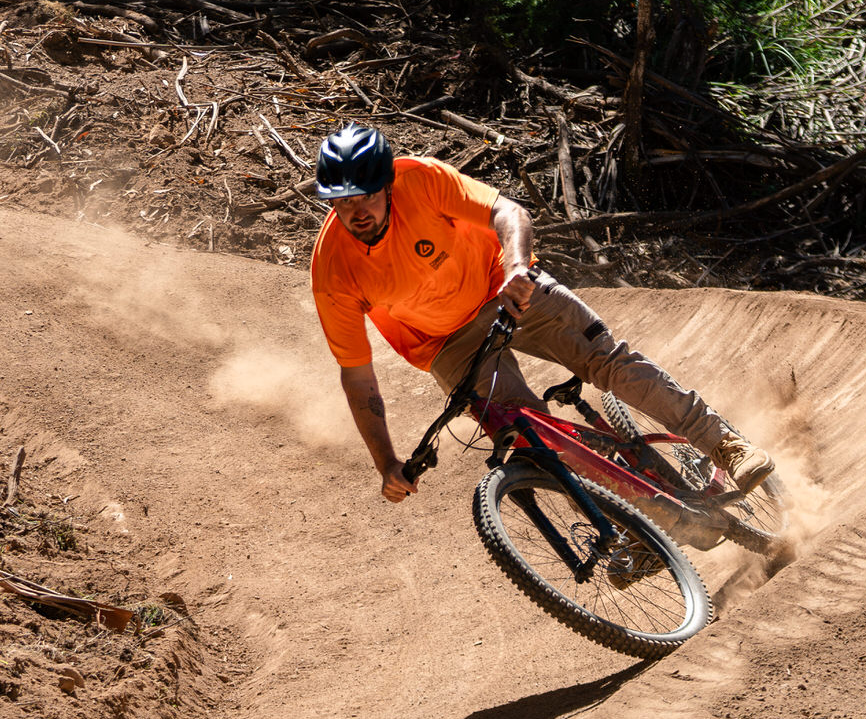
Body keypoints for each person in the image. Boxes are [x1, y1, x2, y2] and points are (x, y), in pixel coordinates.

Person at [308, 123, 776, 505]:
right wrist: (386, 463)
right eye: (341, 200)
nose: (356, 211)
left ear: (388, 184)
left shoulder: (422, 180)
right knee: (528, 435)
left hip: (504, 285)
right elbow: (357, 376)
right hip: (445, 343)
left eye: (365, 195)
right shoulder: (334, 270)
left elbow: (508, 212)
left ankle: (726, 445)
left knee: (606, 361)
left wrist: (516, 268)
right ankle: (630, 526)